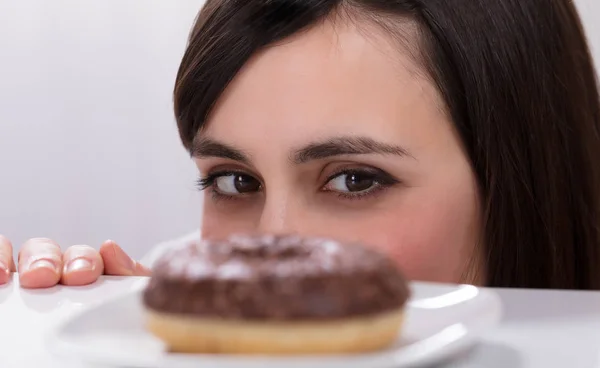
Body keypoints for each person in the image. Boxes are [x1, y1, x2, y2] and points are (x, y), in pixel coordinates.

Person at [1, 0, 599, 290]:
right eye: (235, 181)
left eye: (355, 180)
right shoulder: (165, 297)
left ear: (523, 183)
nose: (271, 251)